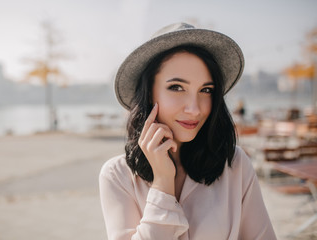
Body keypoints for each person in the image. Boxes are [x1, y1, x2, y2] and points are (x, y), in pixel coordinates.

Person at [99, 23, 276, 240]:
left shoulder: (235, 164)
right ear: (148, 93)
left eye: (206, 90)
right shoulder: (118, 175)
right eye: (177, 87)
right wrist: (163, 182)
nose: (195, 108)